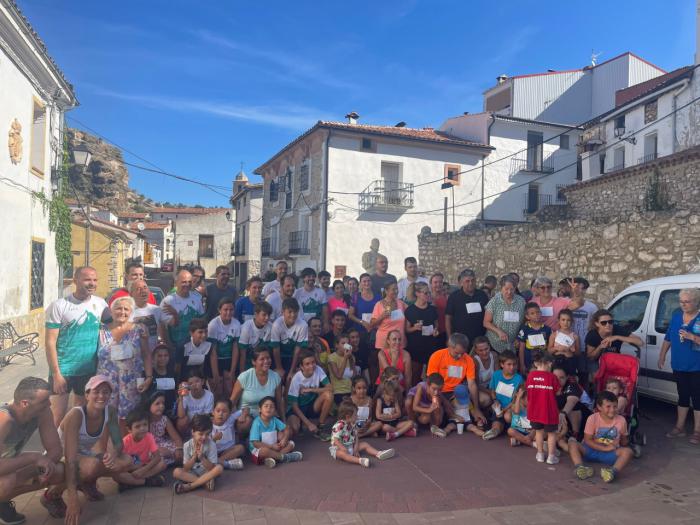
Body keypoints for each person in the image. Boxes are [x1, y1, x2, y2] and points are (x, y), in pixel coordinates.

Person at [51, 375, 132, 523]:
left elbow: (119, 443)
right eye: (96, 391)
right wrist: (72, 498)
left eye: (106, 392)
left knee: (126, 460)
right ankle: (52, 494)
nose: (101, 396)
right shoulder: (76, 414)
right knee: (91, 466)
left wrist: (113, 454)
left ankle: (87, 482)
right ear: (87, 395)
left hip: (83, 454)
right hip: (62, 455)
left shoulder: (110, 411)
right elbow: (70, 459)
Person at [45, 266, 109, 427]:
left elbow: (113, 328)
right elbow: (50, 342)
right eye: (87, 279)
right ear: (75, 280)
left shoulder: (101, 304)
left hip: (88, 370)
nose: (92, 283)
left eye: (95, 280)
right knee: (56, 415)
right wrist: (56, 374)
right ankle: (50, 450)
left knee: (78, 413)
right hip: (63, 370)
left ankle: (71, 446)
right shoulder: (59, 305)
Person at [0, 378, 65, 524]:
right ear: (24, 403)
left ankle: (2, 502)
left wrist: (42, 470)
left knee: (58, 470)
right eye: (43, 401)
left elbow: (55, 450)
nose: (49, 404)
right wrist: (33, 458)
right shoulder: (4, 419)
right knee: (6, 483)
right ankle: (2, 501)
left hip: (8, 466)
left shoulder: (43, 412)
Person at [96, 296, 152, 432]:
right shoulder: (101, 331)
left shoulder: (139, 329)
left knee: (128, 418)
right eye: (118, 308)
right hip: (106, 383)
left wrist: (149, 377)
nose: (122, 312)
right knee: (105, 416)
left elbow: (146, 354)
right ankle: (107, 449)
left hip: (130, 382)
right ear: (111, 310)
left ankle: (124, 448)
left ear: (131, 311)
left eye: (126, 309)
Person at [658, 288, 700, 443]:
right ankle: (679, 427)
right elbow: (668, 338)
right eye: (681, 301)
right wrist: (662, 356)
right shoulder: (676, 317)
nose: (683, 304)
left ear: (696, 301)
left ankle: (697, 431)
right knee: (682, 396)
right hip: (679, 365)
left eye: (687, 301)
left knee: (697, 398)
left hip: (697, 367)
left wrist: (692, 337)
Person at [568, 391, 634, 483]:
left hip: (610, 453)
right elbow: (587, 440)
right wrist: (605, 448)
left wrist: (625, 439)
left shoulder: (621, 420)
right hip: (591, 450)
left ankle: (612, 472)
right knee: (572, 444)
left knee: (628, 452)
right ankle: (580, 468)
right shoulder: (592, 418)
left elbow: (624, 442)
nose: (612, 410)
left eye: (615, 406)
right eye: (608, 406)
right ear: (599, 407)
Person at [426, 333, 486, 426]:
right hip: (438, 392)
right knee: (438, 417)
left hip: (457, 393)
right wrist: (445, 402)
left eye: (462, 353)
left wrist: (477, 408)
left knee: (483, 399)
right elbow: (432, 384)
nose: (459, 356)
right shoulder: (437, 356)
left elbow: (472, 384)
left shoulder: (468, 359)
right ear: (449, 347)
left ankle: (474, 415)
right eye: (457, 353)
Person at [160, 270, 206, 376]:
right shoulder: (168, 301)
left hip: (195, 347)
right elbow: (163, 325)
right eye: (184, 282)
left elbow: (202, 321)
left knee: (194, 376)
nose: (187, 285)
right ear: (176, 283)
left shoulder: (197, 298)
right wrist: (168, 344)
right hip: (177, 347)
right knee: (178, 376)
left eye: (189, 282)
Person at [230, 347, 284, 433]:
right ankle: (246, 441)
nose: (266, 361)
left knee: (285, 433)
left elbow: (279, 402)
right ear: (254, 362)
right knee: (245, 424)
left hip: (267, 415)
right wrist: (225, 422)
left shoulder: (275, 377)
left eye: (268, 358)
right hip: (247, 415)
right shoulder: (245, 377)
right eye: (262, 359)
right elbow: (232, 401)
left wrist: (283, 422)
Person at [329, 400, 395, 468]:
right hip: (339, 448)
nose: (357, 416)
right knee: (341, 454)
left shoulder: (353, 424)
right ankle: (360, 461)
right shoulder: (339, 425)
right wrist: (342, 448)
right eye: (355, 415)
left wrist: (356, 448)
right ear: (348, 417)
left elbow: (356, 436)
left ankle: (379, 454)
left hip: (350, 446)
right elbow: (335, 440)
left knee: (365, 444)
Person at [286, 349, 333, 438]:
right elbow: (294, 405)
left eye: (313, 362)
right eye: (307, 364)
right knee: (295, 429)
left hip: (311, 406)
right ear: (301, 367)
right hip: (297, 409)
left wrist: (311, 390)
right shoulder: (296, 378)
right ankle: (301, 424)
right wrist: (308, 424)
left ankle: (320, 428)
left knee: (329, 395)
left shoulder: (318, 370)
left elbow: (330, 388)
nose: (311, 366)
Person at [173, 414, 224, 494]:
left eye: (207, 434)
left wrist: (202, 458)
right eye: (201, 434)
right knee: (176, 472)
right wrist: (194, 458)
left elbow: (212, 467)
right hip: (192, 473)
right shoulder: (187, 445)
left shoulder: (211, 444)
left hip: (206, 472)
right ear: (193, 432)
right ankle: (205, 483)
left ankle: (190, 486)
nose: (204, 437)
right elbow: (186, 468)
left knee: (219, 468)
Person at [405, 373, 467, 438]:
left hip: (426, 407)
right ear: (428, 385)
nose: (436, 392)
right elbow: (415, 407)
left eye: (439, 389)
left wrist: (455, 416)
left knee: (428, 417)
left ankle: (434, 427)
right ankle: (413, 423)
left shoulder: (438, 393)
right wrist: (429, 410)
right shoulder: (421, 387)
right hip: (418, 405)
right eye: (434, 389)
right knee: (408, 402)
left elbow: (446, 404)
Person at [525, 352, 560, 465]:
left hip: (534, 410)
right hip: (549, 410)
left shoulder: (530, 376)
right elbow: (557, 391)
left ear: (536, 363)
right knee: (551, 433)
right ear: (550, 363)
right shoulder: (552, 377)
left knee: (538, 432)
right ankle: (551, 456)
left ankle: (540, 454)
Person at [585, 309, 643, 377]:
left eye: (610, 322)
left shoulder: (617, 329)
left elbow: (640, 342)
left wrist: (617, 337)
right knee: (598, 377)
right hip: (597, 361)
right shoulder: (592, 335)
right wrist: (600, 347)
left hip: (614, 359)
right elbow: (590, 357)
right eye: (604, 322)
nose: (608, 325)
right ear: (597, 324)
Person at [118, 409, 166, 490]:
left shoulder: (149, 436)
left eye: (145, 425)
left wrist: (143, 471)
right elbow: (121, 462)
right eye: (137, 426)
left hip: (144, 466)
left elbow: (157, 457)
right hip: (131, 468)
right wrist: (134, 468)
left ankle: (131, 482)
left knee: (162, 464)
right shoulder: (125, 442)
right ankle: (147, 481)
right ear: (129, 429)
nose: (142, 428)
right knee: (118, 475)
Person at [248, 397, 303, 468]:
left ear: (275, 411)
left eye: (272, 407)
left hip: (274, 447)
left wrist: (284, 439)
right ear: (260, 409)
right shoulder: (257, 422)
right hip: (260, 450)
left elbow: (287, 428)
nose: (269, 408)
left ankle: (273, 458)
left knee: (291, 443)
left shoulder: (274, 419)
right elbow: (255, 443)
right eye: (266, 406)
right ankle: (285, 457)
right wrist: (271, 446)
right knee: (264, 451)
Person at [483, 350, 523, 440]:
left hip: (510, 407)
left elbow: (515, 400)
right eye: (509, 364)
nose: (512, 367)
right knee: (496, 425)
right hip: (498, 408)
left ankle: (517, 432)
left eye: (514, 364)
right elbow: (492, 390)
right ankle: (495, 431)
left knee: (507, 416)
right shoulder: (496, 374)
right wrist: (495, 401)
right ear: (502, 364)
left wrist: (504, 410)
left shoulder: (518, 378)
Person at [405, 282, 439, 386]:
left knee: (431, 375)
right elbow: (407, 330)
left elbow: (436, 325)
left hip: (431, 345)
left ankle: (429, 396)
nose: (428, 295)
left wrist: (436, 331)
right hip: (416, 346)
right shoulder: (410, 310)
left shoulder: (432, 309)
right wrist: (414, 328)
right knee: (415, 374)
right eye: (425, 293)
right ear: (417, 294)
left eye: (429, 293)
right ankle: (415, 395)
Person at [207, 297, 241, 397]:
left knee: (229, 390)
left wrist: (232, 371)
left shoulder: (236, 323)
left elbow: (235, 348)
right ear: (219, 310)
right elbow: (213, 352)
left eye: (231, 310)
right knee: (217, 390)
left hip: (229, 359)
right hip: (216, 360)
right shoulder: (213, 325)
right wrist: (216, 374)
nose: (228, 312)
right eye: (225, 309)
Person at [483, 275, 526, 354]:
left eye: (512, 289)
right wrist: (499, 331)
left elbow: (524, 322)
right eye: (506, 289)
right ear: (501, 288)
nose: (509, 292)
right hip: (495, 343)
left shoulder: (521, 302)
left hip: (513, 344)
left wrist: (519, 337)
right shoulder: (494, 301)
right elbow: (486, 322)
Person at [445, 269, 489, 343]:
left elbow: (488, 315)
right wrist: (449, 337)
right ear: (461, 283)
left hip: (479, 339)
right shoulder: (454, 297)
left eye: (473, 280)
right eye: (467, 281)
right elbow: (448, 318)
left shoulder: (482, 295)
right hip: (460, 340)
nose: (471, 283)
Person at [130, 279, 173, 354]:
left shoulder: (156, 310)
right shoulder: (127, 312)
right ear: (131, 294)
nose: (143, 291)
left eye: (145, 288)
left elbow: (168, 327)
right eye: (138, 289)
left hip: (154, 356)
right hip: (135, 357)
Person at [270, 297, 309, 380]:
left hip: (294, 358)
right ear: (283, 312)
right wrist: (279, 368)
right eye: (290, 312)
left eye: (295, 312)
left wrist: (292, 371)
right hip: (279, 357)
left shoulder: (303, 325)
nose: (293, 315)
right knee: (278, 376)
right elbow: (276, 349)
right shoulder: (276, 325)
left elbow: (298, 350)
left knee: (292, 378)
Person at [569, 277, 598, 386]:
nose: (579, 291)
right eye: (576, 288)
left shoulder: (592, 307)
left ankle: (584, 397)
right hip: (569, 346)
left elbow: (595, 325)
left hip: (584, 346)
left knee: (584, 374)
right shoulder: (567, 303)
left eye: (582, 289)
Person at [371, 282, 407, 358]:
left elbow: (412, 311)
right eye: (393, 289)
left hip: (399, 342)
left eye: (397, 289)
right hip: (384, 342)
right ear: (386, 291)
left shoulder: (401, 303)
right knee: (386, 368)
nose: (396, 291)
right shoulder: (379, 304)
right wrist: (381, 316)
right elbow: (372, 324)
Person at [211, 398, 249, 470]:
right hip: (214, 452)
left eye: (224, 411)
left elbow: (246, 408)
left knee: (241, 448)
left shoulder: (230, 418)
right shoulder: (209, 424)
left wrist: (243, 415)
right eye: (218, 411)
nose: (220, 414)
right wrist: (214, 439)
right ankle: (225, 463)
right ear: (213, 412)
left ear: (230, 413)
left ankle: (218, 462)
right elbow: (205, 443)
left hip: (228, 451)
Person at [147, 392, 183, 466]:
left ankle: (171, 462)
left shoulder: (164, 419)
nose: (161, 406)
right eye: (157, 404)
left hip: (164, 442)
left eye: (163, 403)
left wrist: (179, 449)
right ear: (149, 405)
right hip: (149, 446)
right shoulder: (145, 421)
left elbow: (176, 438)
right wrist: (159, 449)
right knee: (153, 455)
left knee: (180, 451)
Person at [176, 368, 215, 436]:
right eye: (190, 383)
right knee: (181, 421)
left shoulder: (209, 395)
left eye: (197, 381)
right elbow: (180, 415)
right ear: (188, 385)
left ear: (202, 382)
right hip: (189, 425)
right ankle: (185, 438)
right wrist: (181, 398)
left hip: (203, 424)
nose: (194, 385)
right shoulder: (186, 395)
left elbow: (207, 416)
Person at [516, 303, 551, 375]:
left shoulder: (547, 329)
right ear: (527, 316)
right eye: (532, 313)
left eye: (538, 312)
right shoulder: (524, 329)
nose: (536, 314)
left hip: (542, 363)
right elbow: (521, 348)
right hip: (528, 362)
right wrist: (522, 365)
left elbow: (549, 347)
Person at [238, 301, 273, 372]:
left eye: (268, 315)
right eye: (264, 315)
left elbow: (268, 351)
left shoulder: (270, 326)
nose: (267, 318)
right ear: (256, 314)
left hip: (262, 361)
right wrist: (242, 373)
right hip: (247, 360)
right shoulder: (246, 327)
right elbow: (242, 354)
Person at [181, 318, 216, 387]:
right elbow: (177, 369)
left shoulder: (209, 344)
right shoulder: (183, 346)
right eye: (200, 332)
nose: (204, 335)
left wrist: (215, 379)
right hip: (184, 379)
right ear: (191, 333)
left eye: (206, 331)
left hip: (201, 378)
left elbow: (212, 366)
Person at [147, 345, 178, 420]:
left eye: (166, 355)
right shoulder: (149, 375)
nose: (163, 358)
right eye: (159, 356)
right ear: (154, 357)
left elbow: (176, 391)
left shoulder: (173, 373)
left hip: (171, 410)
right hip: (154, 411)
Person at [548, 309, 579, 377]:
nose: (566, 322)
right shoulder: (554, 335)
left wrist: (570, 349)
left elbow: (577, 353)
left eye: (568, 320)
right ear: (558, 321)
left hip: (570, 361)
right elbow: (549, 351)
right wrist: (557, 348)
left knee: (570, 379)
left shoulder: (575, 336)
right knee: (557, 379)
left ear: (572, 321)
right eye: (563, 320)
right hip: (557, 361)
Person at [327, 334, 357, 406]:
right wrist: (345, 358)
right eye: (343, 343)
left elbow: (354, 376)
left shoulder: (351, 357)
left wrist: (350, 358)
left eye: (347, 343)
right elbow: (339, 376)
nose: (345, 345)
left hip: (351, 390)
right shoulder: (332, 358)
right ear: (337, 345)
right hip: (338, 392)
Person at [472, 336, 499, 408]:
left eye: (486, 349)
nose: (484, 352)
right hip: (480, 388)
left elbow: (498, 377)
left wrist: (496, 391)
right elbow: (475, 384)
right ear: (476, 350)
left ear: (489, 347)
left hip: (492, 386)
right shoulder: (475, 361)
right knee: (485, 399)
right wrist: (491, 393)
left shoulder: (494, 355)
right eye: (480, 350)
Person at [429, 272, 448, 349]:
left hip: (443, 332)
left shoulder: (447, 298)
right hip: (430, 333)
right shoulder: (426, 298)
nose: (438, 284)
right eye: (435, 282)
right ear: (431, 284)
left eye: (440, 282)